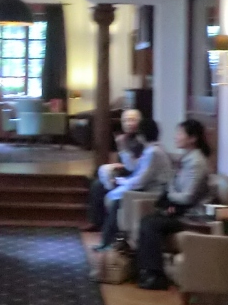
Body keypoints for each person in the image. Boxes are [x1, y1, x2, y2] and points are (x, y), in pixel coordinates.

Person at [135, 119, 213, 290]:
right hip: (182, 211)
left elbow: (187, 197)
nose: (176, 137)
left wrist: (170, 191)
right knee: (148, 220)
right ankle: (147, 270)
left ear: (192, 138)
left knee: (151, 224)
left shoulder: (197, 163)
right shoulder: (187, 159)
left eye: (180, 133)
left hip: (193, 216)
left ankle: (155, 274)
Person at [95, 118, 173, 251]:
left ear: (142, 135)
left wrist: (121, 181)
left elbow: (141, 180)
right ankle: (109, 240)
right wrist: (123, 149)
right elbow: (135, 169)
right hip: (148, 188)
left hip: (154, 192)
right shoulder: (152, 150)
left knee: (117, 200)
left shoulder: (154, 152)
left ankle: (107, 241)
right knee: (110, 193)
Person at [83, 108, 144, 233]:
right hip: (124, 173)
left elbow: (137, 165)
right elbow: (122, 161)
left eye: (132, 120)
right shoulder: (123, 138)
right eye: (125, 120)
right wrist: (114, 167)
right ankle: (96, 221)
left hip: (135, 178)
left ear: (140, 122)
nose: (128, 123)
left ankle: (100, 223)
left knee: (98, 185)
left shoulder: (142, 140)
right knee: (95, 178)